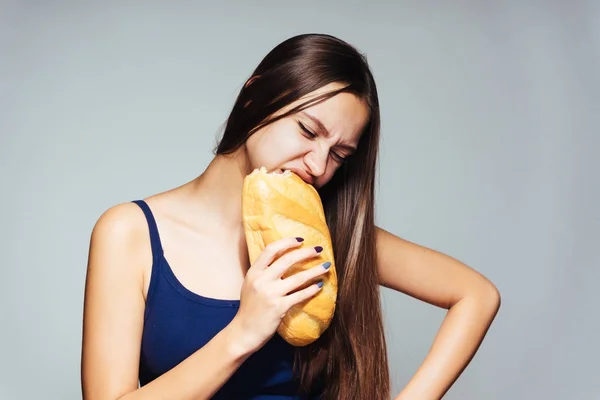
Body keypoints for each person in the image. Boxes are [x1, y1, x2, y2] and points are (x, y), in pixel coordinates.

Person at [81, 33, 501, 400]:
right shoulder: (129, 233)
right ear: (254, 94)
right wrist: (242, 334)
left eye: (339, 154)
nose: (318, 164)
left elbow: (476, 294)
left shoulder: (329, 233)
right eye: (307, 130)